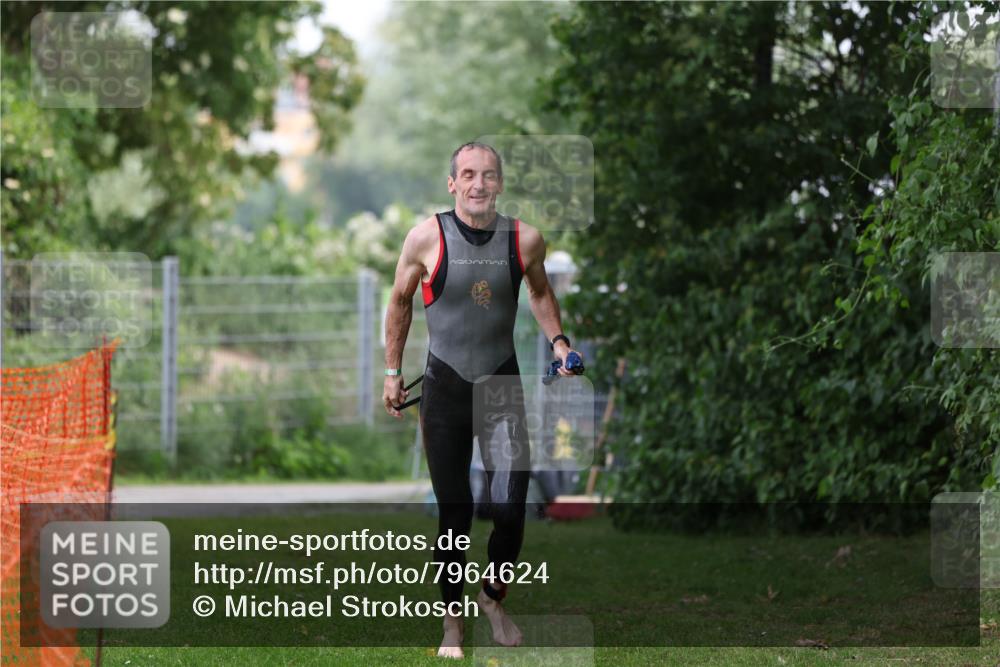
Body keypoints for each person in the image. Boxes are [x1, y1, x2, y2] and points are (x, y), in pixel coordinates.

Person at [382, 141, 582, 659]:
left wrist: (559, 341)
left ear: (500, 183)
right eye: (468, 175)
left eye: (488, 175)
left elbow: (539, 293)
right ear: (452, 183)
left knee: (512, 507)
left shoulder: (525, 240)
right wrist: (391, 372)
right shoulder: (426, 237)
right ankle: (452, 624)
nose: (478, 184)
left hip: (500, 385)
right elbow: (400, 301)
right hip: (444, 388)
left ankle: (492, 598)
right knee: (456, 514)